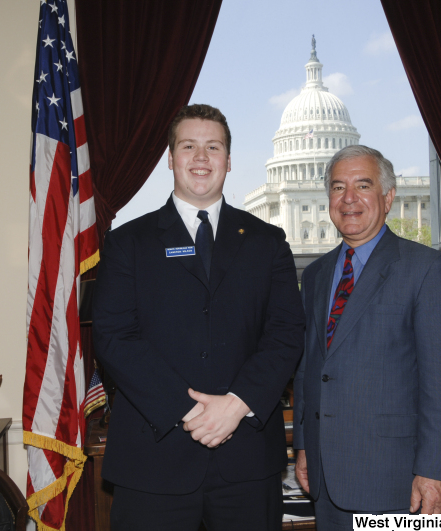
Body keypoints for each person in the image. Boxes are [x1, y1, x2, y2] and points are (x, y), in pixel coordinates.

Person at [92, 104, 305, 531]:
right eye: (189, 146)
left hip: (246, 464)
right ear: (171, 159)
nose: (202, 157)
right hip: (153, 462)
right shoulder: (126, 243)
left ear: (229, 160)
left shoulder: (267, 242)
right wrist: (192, 412)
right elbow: (115, 338)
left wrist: (236, 405)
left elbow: (286, 333)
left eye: (213, 146)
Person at [293, 145, 441, 526]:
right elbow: (309, 367)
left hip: (396, 480)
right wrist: (305, 445)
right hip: (326, 476)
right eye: (338, 187)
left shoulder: (427, 270)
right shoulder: (317, 275)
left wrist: (437, 471)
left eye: (363, 185)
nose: (349, 199)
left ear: (388, 197)